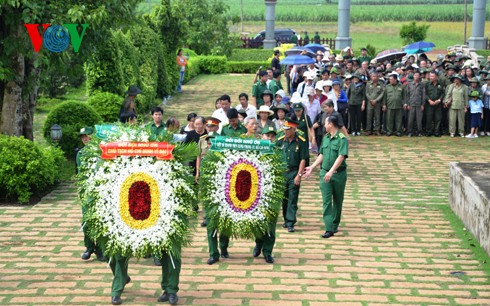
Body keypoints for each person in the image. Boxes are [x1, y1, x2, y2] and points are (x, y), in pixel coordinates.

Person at [303, 114, 348, 239]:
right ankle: (329, 228)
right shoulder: (326, 138)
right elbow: (321, 154)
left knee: (338, 201)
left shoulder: (341, 139)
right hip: (325, 173)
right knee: (326, 201)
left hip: (338, 175)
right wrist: (312, 167)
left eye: (326, 123)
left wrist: (332, 171)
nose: (324, 125)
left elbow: (341, 156)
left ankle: (335, 224)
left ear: (331, 124)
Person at [76, 127, 105, 262]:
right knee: (87, 221)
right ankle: (89, 247)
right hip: (86, 191)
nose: (85, 139)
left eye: (87, 136)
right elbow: (79, 174)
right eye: (83, 137)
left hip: (99, 190)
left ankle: (100, 249)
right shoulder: (80, 154)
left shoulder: (100, 152)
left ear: (92, 136)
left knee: (99, 220)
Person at [275, 118, 308, 233]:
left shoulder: (301, 141)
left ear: (294, 129)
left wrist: (299, 175)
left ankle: (290, 222)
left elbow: (303, 159)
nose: (285, 131)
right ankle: (285, 219)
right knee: (284, 198)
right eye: (284, 129)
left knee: (292, 198)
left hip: (294, 172)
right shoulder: (280, 140)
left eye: (288, 130)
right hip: (282, 172)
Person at [364, 71, 385, 135]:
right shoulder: (368, 84)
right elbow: (366, 93)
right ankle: (369, 130)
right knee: (369, 116)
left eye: (375, 76)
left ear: (378, 77)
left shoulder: (381, 84)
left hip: (377, 103)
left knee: (377, 117)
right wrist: (370, 100)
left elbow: (382, 93)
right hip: (370, 103)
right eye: (372, 76)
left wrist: (376, 100)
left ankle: (377, 130)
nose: (374, 77)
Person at [424, 71, 445, 137]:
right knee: (429, 118)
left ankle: (437, 132)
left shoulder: (441, 83)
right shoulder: (427, 84)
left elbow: (443, 93)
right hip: (429, 104)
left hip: (438, 104)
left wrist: (439, 100)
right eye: (430, 76)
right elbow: (425, 94)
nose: (431, 77)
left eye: (432, 76)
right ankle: (428, 132)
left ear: (436, 77)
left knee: (438, 118)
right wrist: (429, 100)